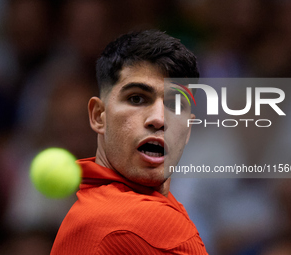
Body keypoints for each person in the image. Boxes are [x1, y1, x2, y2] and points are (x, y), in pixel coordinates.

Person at [50, 30, 208, 254]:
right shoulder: (143, 227)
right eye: (137, 98)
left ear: (188, 129)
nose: (159, 119)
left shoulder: (94, 207)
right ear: (98, 115)